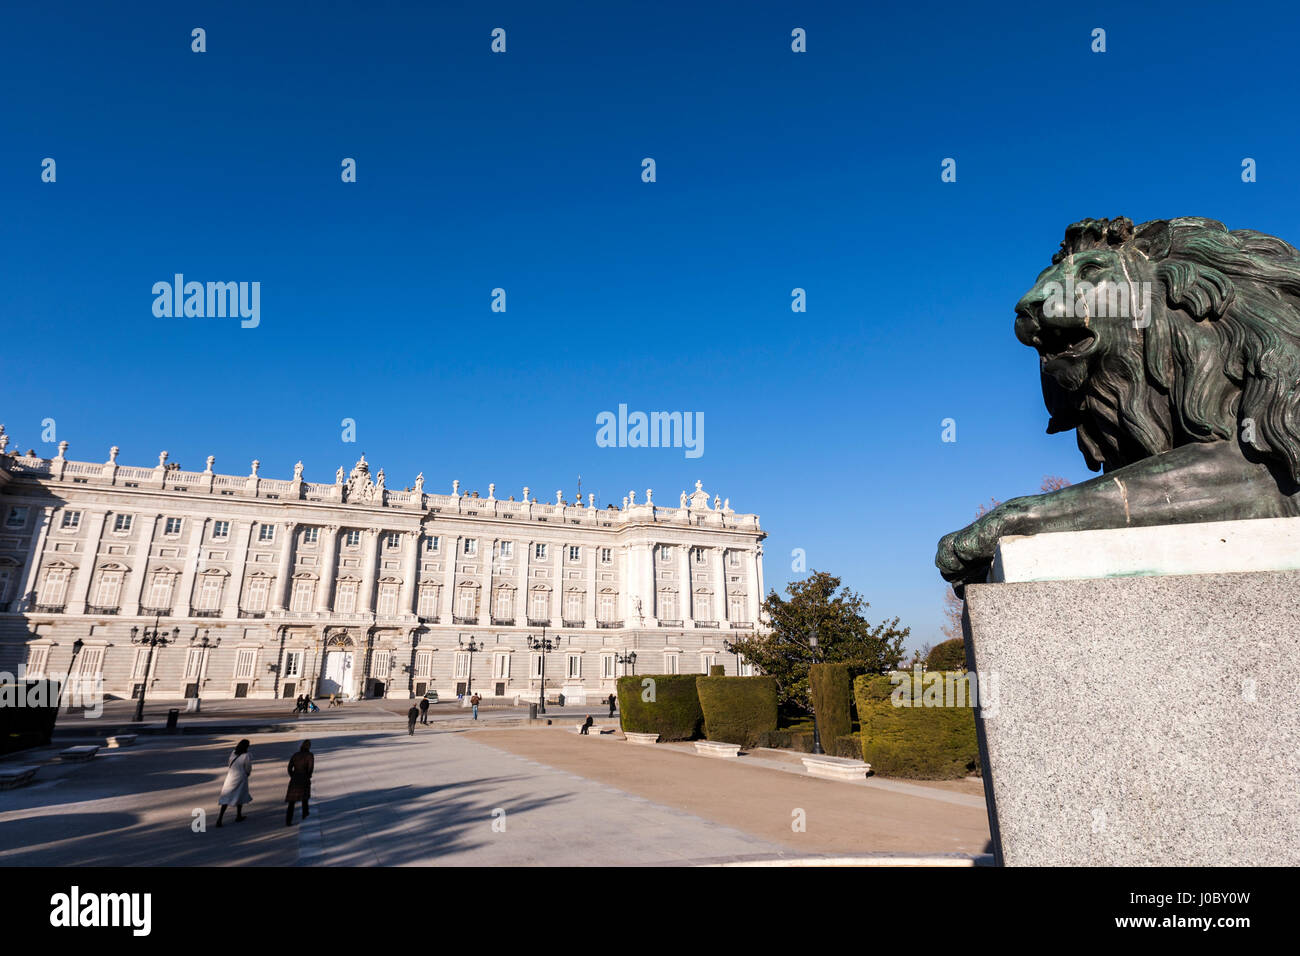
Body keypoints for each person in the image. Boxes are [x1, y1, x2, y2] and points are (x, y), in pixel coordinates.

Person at [217, 739, 253, 826]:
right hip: (240, 777)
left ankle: (220, 819)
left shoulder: (233, 753)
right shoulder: (246, 755)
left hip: (230, 777)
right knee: (240, 795)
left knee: (226, 797)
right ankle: (238, 815)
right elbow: (248, 767)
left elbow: (229, 763)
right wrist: (247, 774)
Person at [285, 740, 314, 826]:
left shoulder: (295, 755)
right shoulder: (309, 755)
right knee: (304, 800)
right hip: (304, 778)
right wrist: (308, 776)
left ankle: (288, 821)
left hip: (294, 779)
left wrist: (293, 775)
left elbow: (289, 768)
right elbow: (310, 768)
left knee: (291, 802)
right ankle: (305, 817)